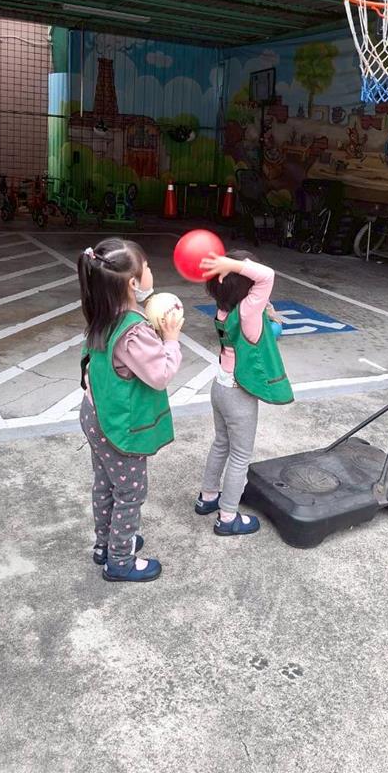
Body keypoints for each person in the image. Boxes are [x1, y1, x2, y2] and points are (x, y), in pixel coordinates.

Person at [78, 239, 183, 584]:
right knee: (130, 493)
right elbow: (160, 374)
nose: (152, 271)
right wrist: (171, 338)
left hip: (95, 415)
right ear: (133, 283)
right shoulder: (134, 331)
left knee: (105, 484)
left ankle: (104, 544)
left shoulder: (103, 315)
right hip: (119, 427)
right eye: (147, 266)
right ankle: (120, 560)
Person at [195, 250, 293, 536]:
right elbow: (267, 275)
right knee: (240, 456)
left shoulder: (223, 308)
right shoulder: (248, 311)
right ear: (248, 287)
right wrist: (235, 264)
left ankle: (208, 497)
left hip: (220, 387)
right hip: (238, 395)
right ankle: (227, 517)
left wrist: (230, 267)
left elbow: (256, 294)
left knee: (221, 444)